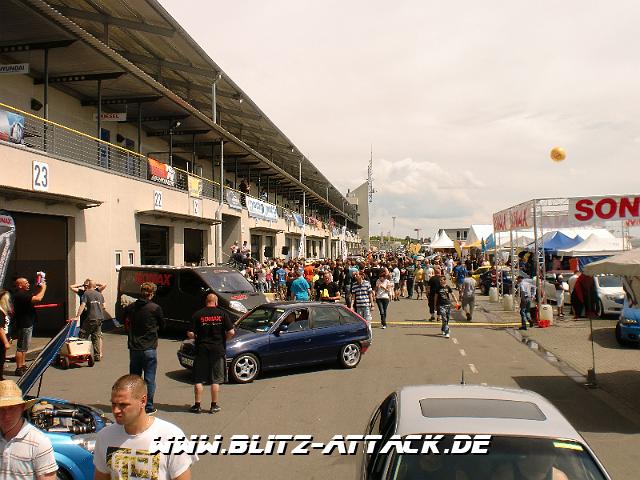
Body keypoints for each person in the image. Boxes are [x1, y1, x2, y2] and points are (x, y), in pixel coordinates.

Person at [94, 375, 194, 480]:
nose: (116, 410)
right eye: (114, 404)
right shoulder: (105, 436)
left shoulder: (171, 436)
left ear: (143, 401)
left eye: (123, 405)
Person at [0, 379, 58, 479]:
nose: (6, 415)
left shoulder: (39, 442)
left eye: (12, 408)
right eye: (1, 409)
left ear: (22, 408)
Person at [188, 293, 235, 414]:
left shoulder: (198, 314)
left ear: (206, 301)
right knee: (216, 379)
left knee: (198, 379)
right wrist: (224, 339)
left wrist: (197, 338)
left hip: (202, 349)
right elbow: (231, 332)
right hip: (217, 349)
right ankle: (214, 406)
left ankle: (197, 405)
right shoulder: (222, 314)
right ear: (216, 302)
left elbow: (190, 333)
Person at [124, 282, 165, 415]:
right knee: (149, 379)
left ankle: (133, 403)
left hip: (135, 347)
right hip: (149, 347)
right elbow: (163, 325)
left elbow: (123, 320)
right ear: (151, 294)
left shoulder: (131, 307)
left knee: (134, 379)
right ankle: (148, 406)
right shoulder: (155, 308)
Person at [11, 276, 46, 376]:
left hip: (28, 323)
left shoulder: (24, 294)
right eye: (26, 283)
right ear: (20, 285)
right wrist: (44, 287)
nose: (28, 284)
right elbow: (38, 298)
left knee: (24, 347)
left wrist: (39, 288)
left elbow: (34, 297)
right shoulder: (19, 295)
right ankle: (19, 368)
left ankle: (23, 365)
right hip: (24, 324)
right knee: (21, 347)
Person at [74, 279, 105, 362]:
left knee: (82, 335)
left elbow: (82, 305)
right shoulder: (99, 294)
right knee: (96, 337)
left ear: (88, 286)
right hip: (99, 318)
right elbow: (103, 306)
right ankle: (97, 356)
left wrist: (77, 316)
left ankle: (82, 355)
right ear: (95, 286)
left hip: (91, 318)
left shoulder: (86, 293)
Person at [0, 292, 12, 381]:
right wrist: (5, 342)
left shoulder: (3, 311)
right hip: (1, 340)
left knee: (2, 359)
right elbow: (0, 329)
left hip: (4, 337)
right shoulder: (0, 312)